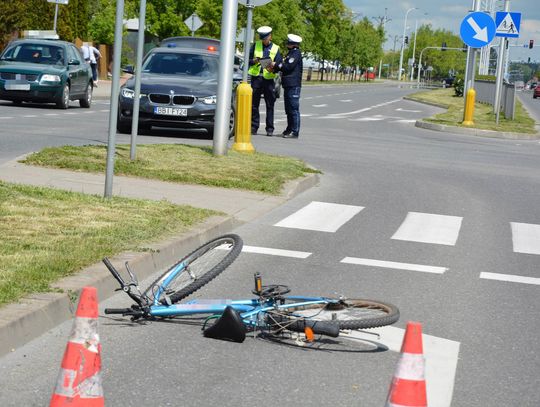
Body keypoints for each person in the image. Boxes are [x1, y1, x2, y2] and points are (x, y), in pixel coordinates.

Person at [248, 26, 282, 137]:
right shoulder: (256, 45)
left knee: (270, 104)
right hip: (257, 78)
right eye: (262, 38)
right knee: (254, 104)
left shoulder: (276, 48)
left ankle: (270, 129)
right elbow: (247, 60)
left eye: (265, 38)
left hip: (269, 79)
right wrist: (253, 61)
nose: (263, 40)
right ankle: (254, 127)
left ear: (270, 36)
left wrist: (273, 67)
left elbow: (279, 64)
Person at [271, 34, 303, 138]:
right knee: (289, 109)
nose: (287, 44)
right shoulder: (291, 53)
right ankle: (289, 129)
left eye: (288, 42)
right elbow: (283, 66)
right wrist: (274, 67)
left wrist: (276, 65)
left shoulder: (296, 53)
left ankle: (295, 131)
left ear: (293, 44)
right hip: (288, 85)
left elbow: (288, 66)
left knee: (293, 109)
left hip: (293, 85)